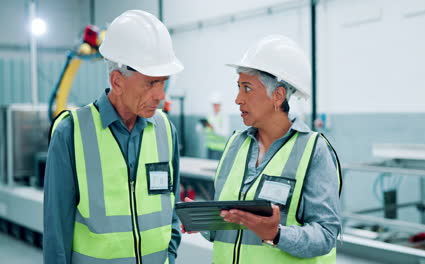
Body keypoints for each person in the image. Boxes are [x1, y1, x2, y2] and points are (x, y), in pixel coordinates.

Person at [183, 35, 342, 263]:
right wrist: (204, 221)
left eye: (247, 88)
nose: (238, 99)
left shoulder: (313, 151)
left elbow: (326, 235)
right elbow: (228, 228)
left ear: (277, 96)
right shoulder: (236, 145)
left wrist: (276, 234)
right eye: (238, 87)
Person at [44, 10, 184, 264]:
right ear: (117, 81)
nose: (160, 95)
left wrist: (170, 256)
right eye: (151, 83)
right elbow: (57, 236)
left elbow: (170, 212)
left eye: (164, 82)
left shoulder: (166, 130)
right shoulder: (70, 133)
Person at [204, 94, 230, 160]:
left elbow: (225, 133)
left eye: (216, 105)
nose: (215, 107)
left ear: (220, 105)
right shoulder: (210, 115)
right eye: (213, 105)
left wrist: (213, 128)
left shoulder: (224, 116)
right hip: (209, 147)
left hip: (219, 149)